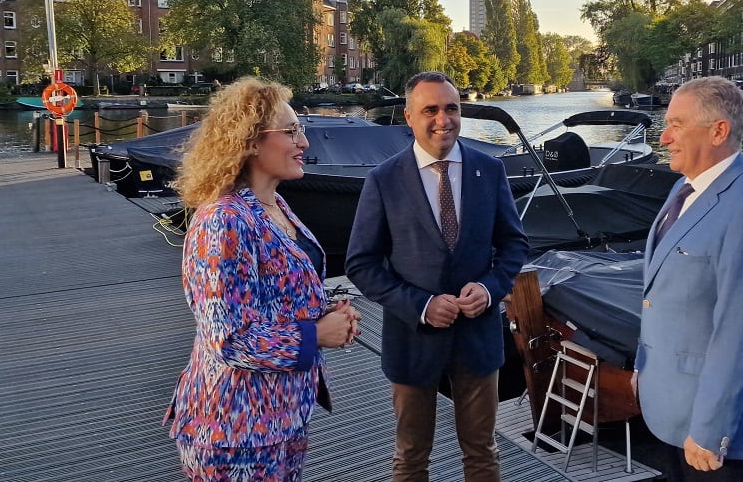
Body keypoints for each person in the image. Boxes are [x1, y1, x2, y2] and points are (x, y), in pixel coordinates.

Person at [165, 77, 360, 482]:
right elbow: (230, 339)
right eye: (291, 132)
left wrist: (327, 314)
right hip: (235, 430)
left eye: (300, 129)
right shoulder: (223, 221)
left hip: (282, 417)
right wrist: (316, 334)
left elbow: (273, 299)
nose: (304, 142)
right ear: (252, 142)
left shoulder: (275, 204)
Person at [345, 71, 529, 482]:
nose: (442, 120)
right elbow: (361, 262)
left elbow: (514, 245)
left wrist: (489, 288)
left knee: (482, 452)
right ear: (409, 117)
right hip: (413, 341)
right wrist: (422, 305)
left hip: (478, 339)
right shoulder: (384, 180)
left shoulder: (490, 170)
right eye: (430, 110)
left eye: (451, 108)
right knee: (410, 456)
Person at [633, 76, 743, 482]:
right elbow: (661, 292)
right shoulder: (683, 189)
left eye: (677, 125)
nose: (664, 137)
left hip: (717, 430)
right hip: (669, 408)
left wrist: (711, 428)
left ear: (719, 130)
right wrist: (643, 368)